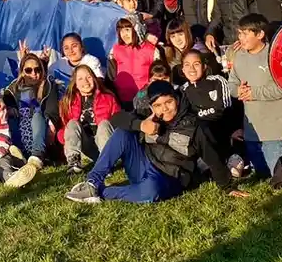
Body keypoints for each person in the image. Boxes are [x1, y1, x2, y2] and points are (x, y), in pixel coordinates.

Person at [64, 79, 232, 204]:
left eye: (169, 102)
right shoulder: (149, 114)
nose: (164, 109)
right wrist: (141, 124)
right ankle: (92, 183)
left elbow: (213, 158)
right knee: (124, 133)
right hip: (142, 164)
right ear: (152, 107)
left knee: (150, 192)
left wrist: (227, 187)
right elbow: (116, 119)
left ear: (177, 99)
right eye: (158, 105)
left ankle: (102, 192)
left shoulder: (195, 125)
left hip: (169, 178)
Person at [223, 15, 282, 179]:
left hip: (275, 130)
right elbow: (231, 84)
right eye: (240, 33)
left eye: (246, 34)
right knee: (262, 175)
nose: (241, 38)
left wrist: (254, 93)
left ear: (260, 34)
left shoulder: (274, 56)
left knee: (281, 177)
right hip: (252, 132)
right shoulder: (239, 57)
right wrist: (238, 91)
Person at [59, 63, 122, 173]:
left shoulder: (108, 97)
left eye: (88, 77)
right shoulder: (68, 101)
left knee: (104, 124)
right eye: (80, 79)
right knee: (72, 123)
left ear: (94, 78)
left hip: (105, 142)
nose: (85, 81)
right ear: (75, 84)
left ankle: (106, 164)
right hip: (85, 145)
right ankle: (74, 162)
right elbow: (66, 127)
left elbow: (119, 122)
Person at [2, 53, 57, 164]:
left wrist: (52, 125)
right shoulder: (13, 88)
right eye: (28, 70)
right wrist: (10, 107)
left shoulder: (48, 85)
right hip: (21, 127)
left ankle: (37, 155)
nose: (34, 73)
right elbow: (5, 100)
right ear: (22, 72)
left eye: (37, 70)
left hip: (41, 130)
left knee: (37, 115)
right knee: (11, 117)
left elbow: (52, 109)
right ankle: (19, 155)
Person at [110, 18, 159, 103]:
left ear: (137, 29)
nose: (124, 34)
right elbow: (111, 75)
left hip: (143, 99)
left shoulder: (151, 50)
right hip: (122, 99)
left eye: (127, 30)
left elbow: (157, 75)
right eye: (121, 31)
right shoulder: (115, 50)